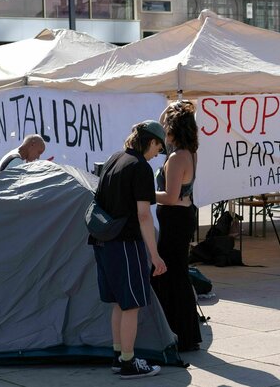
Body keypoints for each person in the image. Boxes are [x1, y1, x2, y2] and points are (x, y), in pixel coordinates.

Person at [91, 120, 165, 379]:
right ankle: (128, 362)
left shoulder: (114, 158)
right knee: (131, 305)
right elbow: (144, 216)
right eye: (159, 146)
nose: (158, 153)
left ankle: (118, 355)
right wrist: (154, 255)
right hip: (125, 243)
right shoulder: (140, 168)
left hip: (103, 241)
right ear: (151, 141)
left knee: (119, 304)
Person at [152, 100, 203, 352]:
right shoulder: (189, 152)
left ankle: (180, 334)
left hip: (174, 220)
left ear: (174, 130)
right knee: (176, 276)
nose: (163, 132)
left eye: (167, 127)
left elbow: (170, 196)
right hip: (180, 219)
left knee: (172, 277)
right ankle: (184, 333)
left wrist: (146, 194)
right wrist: (172, 107)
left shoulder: (177, 158)